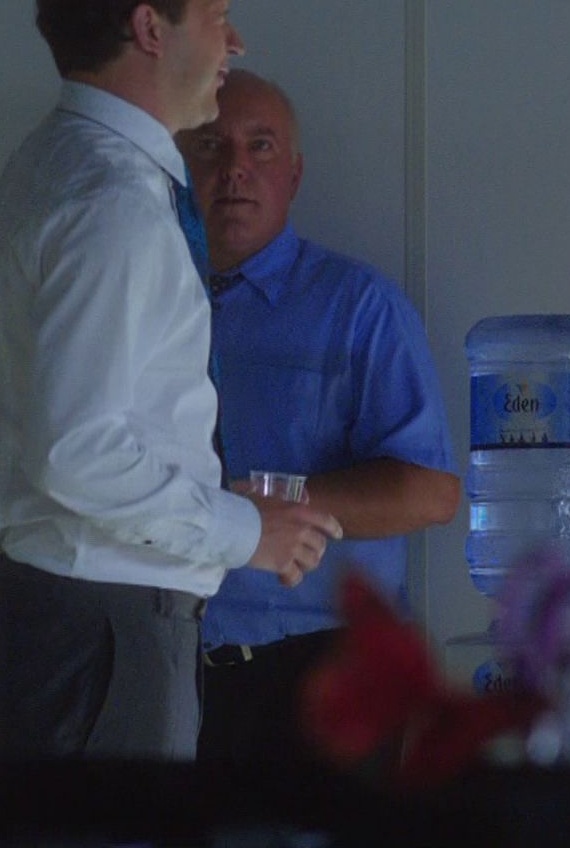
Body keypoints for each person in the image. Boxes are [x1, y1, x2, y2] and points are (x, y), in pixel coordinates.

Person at [0, 0, 344, 761]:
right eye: (216, 12)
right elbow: (78, 451)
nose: (234, 41)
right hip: (97, 630)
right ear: (148, 29)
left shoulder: (61, 166)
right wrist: (245, 532)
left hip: (80, 622)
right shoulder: (113, 203)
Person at [175, 70, 459, 771]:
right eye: (211, 146)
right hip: (170, 670)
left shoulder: (359, 307)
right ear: (179, 166)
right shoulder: (145, 304)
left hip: (322, 675)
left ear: (294, 175)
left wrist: (276, 508)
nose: (235, 168)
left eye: (261, 146)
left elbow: (431, 493)